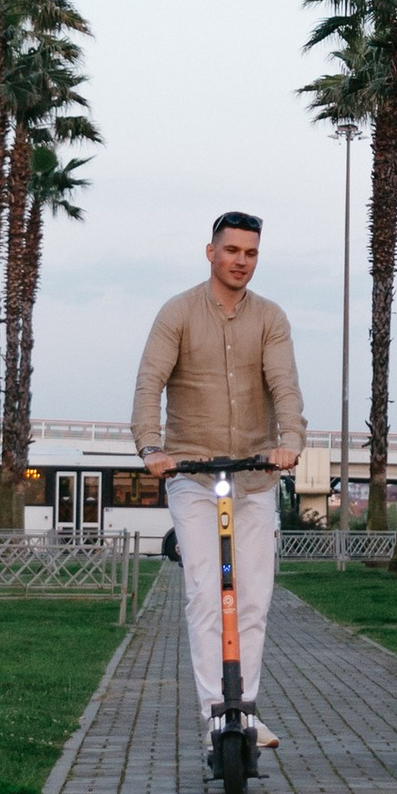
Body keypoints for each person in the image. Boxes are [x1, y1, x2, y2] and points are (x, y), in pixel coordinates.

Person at [133, 212, 304, 764]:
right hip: (193, 477)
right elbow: (150, 382)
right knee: (208, 595)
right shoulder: (177, 313)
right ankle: (216, 717)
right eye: (231, 250)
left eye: (250, 253)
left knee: (252, 599)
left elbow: (284, 385)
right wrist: (150, 448)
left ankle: (244, 711)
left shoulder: (270, 318)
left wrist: (290, 440)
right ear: (210, 252)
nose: (240, 261)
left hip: (254, 477)